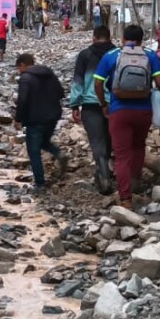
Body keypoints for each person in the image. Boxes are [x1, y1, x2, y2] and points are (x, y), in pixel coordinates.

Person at [93, 24, 160, 205]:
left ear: (123, 39)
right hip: (143, 110)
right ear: (141, 40)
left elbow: (97, 84)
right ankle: (135, 182)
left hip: (119, 110)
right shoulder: (150, 54)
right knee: (138, 146)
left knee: (121, 155)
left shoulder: (111, 56)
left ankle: (126, 198)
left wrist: (104, 104)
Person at [69, 25, 117, 194]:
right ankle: (106, 169)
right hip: (114, 104)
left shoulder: (85, 55)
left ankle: (103, 172)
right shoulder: (117, 54)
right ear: (110, 37)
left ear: (94, 37)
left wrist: (75, 104)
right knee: (109, 138)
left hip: (90, 104)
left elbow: (78, 82)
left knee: (97, 140)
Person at [14, 53, 68, 191]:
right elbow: (61, 93)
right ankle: (58, 153)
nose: (18, 71)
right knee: (44, 142)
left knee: (34, 151)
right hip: (52, 116)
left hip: (35, 119)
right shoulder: (48, 74)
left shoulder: (25, 78)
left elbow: (22, 100)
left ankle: (40, 184)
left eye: (18, 68)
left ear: (22, 65)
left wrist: (18, 118)